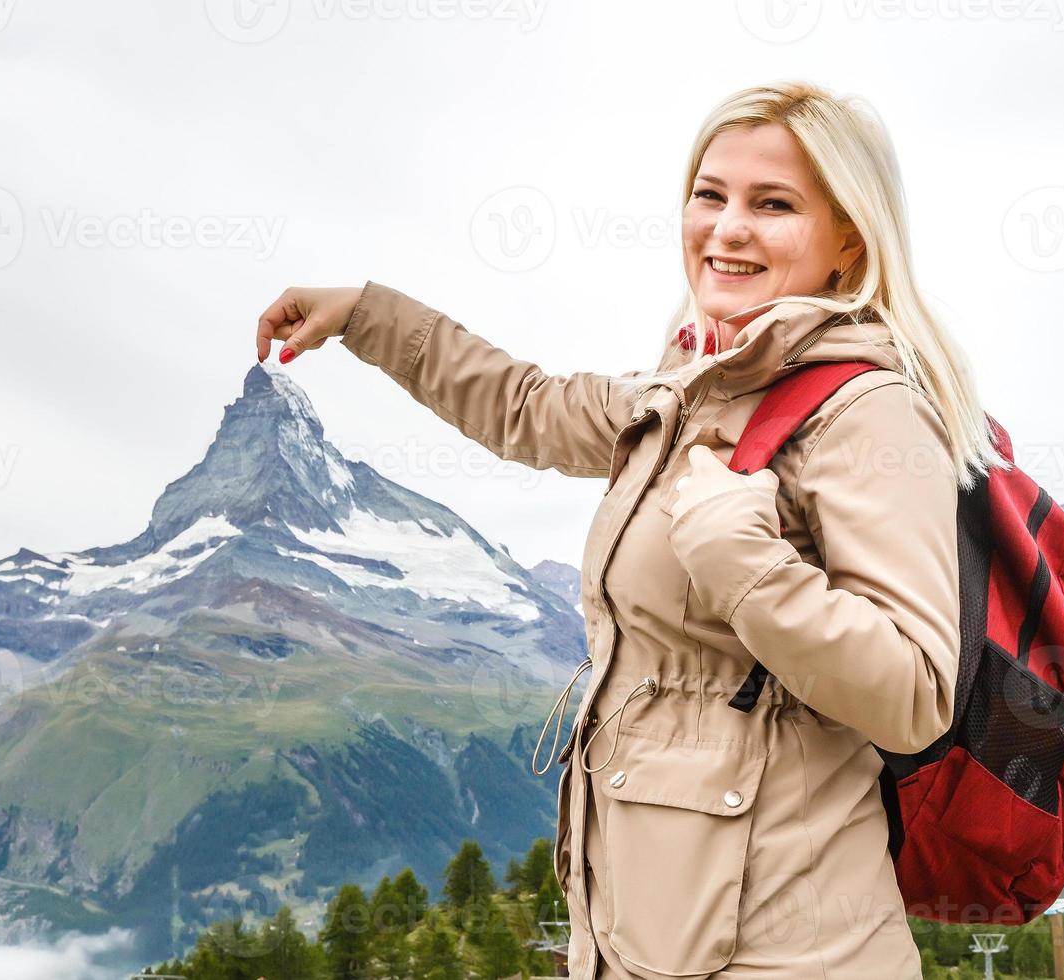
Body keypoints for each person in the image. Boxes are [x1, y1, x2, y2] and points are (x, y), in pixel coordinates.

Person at [254, 79, 1004, 979]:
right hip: (649, 944)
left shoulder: (869, 414)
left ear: (849, 239)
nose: (727, 228)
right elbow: (529, 406)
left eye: (774, 205)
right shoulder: (693, 387)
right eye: (709, 194)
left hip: (789, 956)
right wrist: (371, 315)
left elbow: (916, 694)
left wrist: (743, 563)